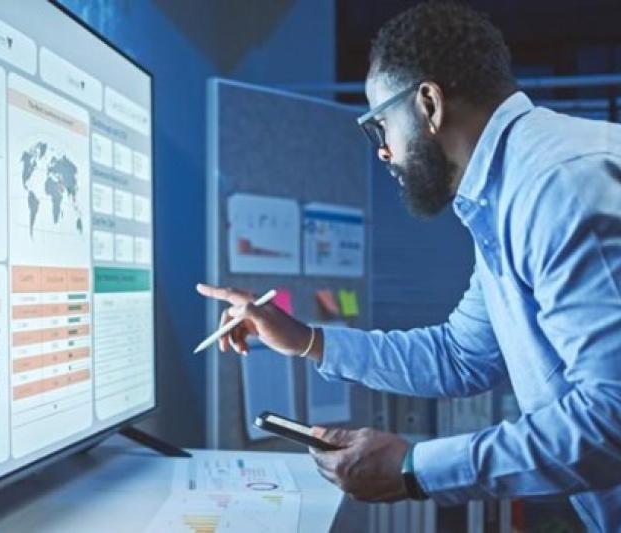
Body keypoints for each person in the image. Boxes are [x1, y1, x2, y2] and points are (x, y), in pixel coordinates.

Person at [196, 2, 621, 530]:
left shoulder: (557, 186)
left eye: (380, 126)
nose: (382, 153)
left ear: (428, 103)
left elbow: (612, 420)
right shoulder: (507, 192)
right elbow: (462, 355)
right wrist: (307, 340)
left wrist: (415, 468)